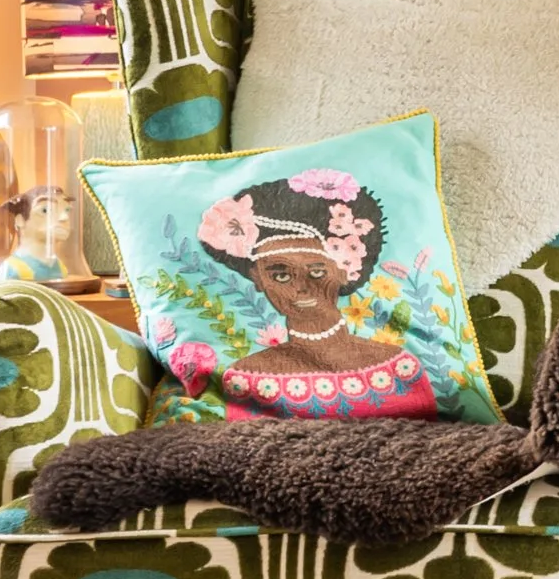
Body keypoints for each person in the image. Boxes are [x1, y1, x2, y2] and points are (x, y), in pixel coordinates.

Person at [174, 170, 433, 420]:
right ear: (258, 279)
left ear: (345, 269)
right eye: (281, 275)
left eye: (317, 272)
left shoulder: (398, 368)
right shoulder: (247, 378)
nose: (301, 287)